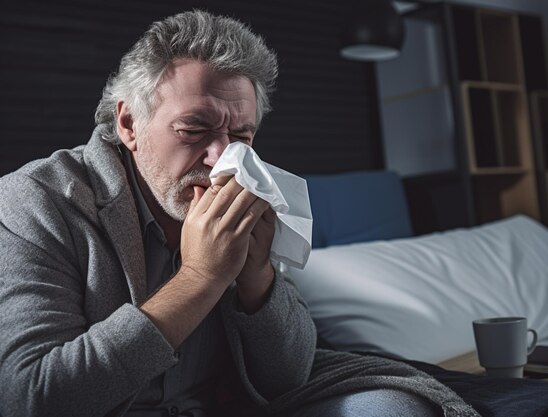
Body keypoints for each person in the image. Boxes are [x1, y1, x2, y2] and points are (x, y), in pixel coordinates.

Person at [0, 10, 462, 417]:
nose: (221, 157)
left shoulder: (250, 195)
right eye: (194, 129)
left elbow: (288, 377)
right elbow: (33, 399)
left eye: (241, 136)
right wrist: (201, 275)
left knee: (393, 407)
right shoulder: (34, 202)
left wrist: (256, 276)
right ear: (128, 124)